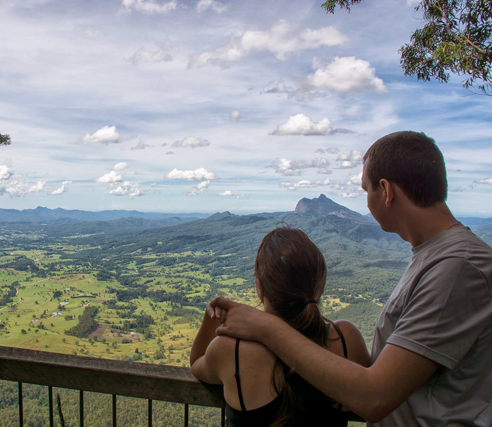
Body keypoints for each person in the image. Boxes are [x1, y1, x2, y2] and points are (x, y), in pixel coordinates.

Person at [209, 131, 492, 426]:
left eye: (365, 190)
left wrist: (267, 327)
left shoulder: (457, 268)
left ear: (386, 190)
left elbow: (374, 396)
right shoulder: (437, 258)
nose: (366, 202)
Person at [190, 227, 370, 426]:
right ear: (319, 284)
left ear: (260, 288)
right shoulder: (346, 339)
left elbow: (197, 363)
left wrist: (211, 317)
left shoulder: (232, 349)